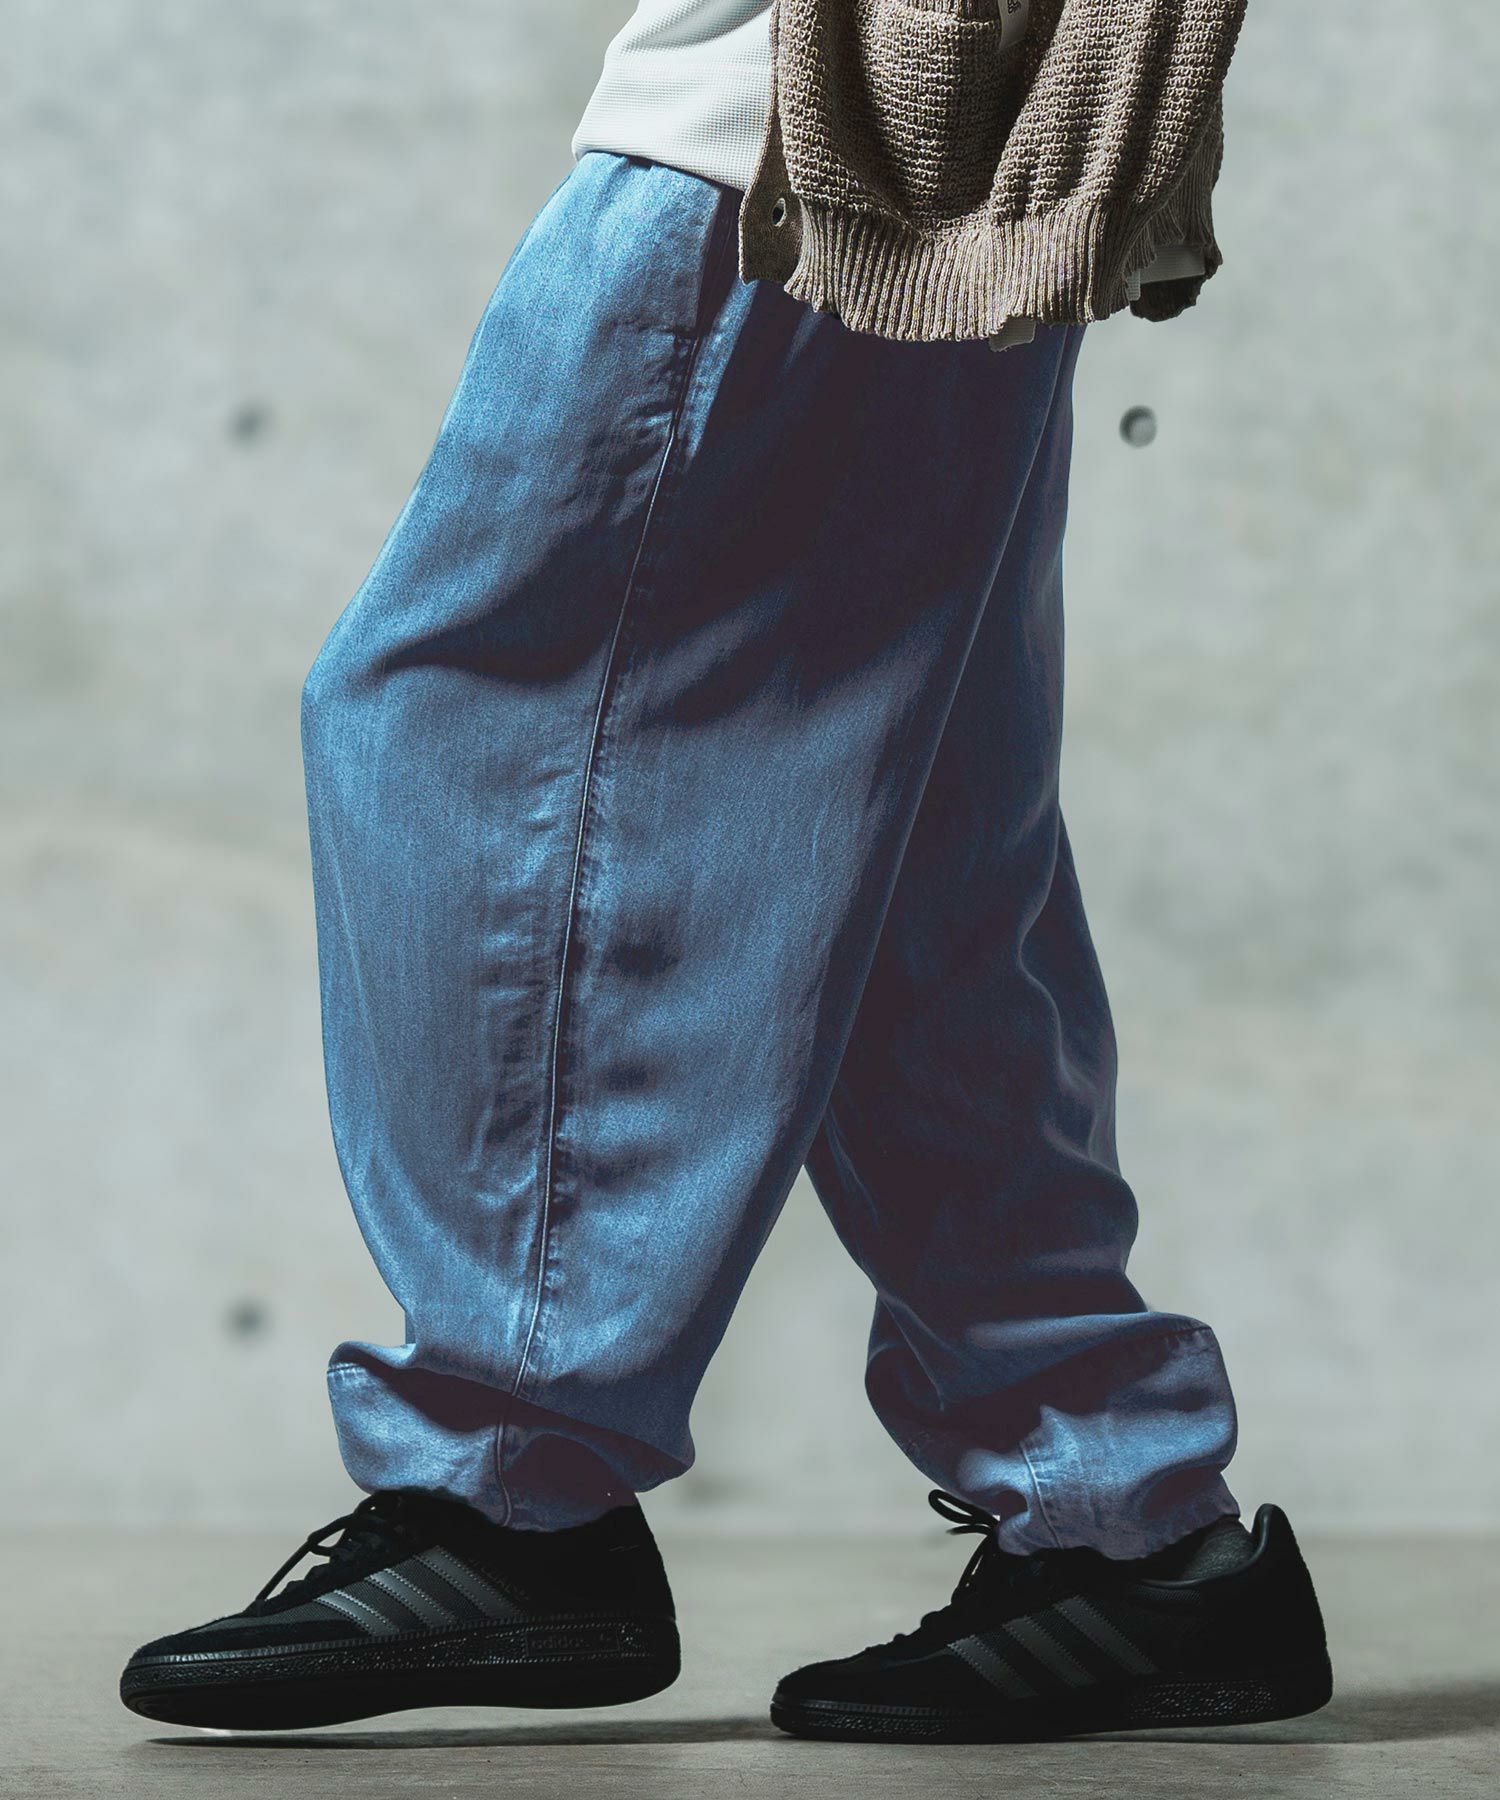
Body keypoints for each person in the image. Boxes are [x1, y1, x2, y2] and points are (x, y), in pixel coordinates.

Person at [120, 0, 1334, 1743]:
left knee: (489, 722)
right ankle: (1120, 1515)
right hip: (943, 125)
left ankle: (511, 1477)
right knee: (899, 855)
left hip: (820, 122)